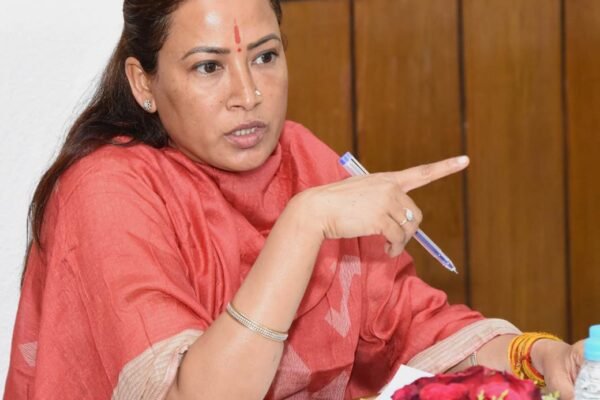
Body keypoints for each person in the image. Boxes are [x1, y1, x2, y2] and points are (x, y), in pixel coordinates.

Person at [4, 0, 584, 399]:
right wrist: (303, 225)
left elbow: (410, 325)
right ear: (142, 83)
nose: (248, 94)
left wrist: (537, 356)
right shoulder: (105, 191)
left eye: (265, 56)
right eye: (209, 67)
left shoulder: (303, 158)